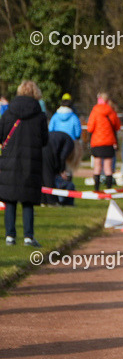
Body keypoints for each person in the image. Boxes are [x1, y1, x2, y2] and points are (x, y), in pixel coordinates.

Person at [0, 80, 49, 246]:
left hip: (10, 160)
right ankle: (28, 236)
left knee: (10, 199)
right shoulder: (40, 115)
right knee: (28, 200)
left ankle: (10, 236)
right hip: (31, 161)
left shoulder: (8, 113)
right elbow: (44, 140)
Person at [86, 92, 121, 190]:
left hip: (97, 143)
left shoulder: (94, 111)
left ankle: (96, 189)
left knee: (97, 166)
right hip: (109, 142)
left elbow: (90, 128)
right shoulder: (112, 111)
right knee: (108, 167)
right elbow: (117, 126)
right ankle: (109, 190)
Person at [49, 93, 82, 177]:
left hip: (56, 144)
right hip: (70, 144)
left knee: (57, 162)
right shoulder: (74, 117)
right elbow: (78, 132)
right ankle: (67, 181)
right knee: (68, 166)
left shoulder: (55, 116)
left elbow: (50, 129)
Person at [42, 129, 76, 206]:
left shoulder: (62, 137)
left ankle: (43, 200)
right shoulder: (70, 142)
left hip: (42, 146)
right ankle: (52, 201)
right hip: (48, 150)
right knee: (48, 178)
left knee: (43, 177)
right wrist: (62, 170)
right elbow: (62, 157)